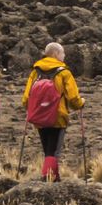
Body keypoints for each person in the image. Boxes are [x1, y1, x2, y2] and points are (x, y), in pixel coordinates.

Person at [23, 42, 84, 181]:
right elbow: (73, 97)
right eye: (63, 53)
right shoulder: (64, 73)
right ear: (56, 54)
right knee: (53, 150)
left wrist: (32, 109)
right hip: (58, 117)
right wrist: (81, 104)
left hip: (39, 117)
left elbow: (26, 98)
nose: (64, 56)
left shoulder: (35, 72)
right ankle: (48, 178)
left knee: (48, 149)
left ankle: (54, 177)